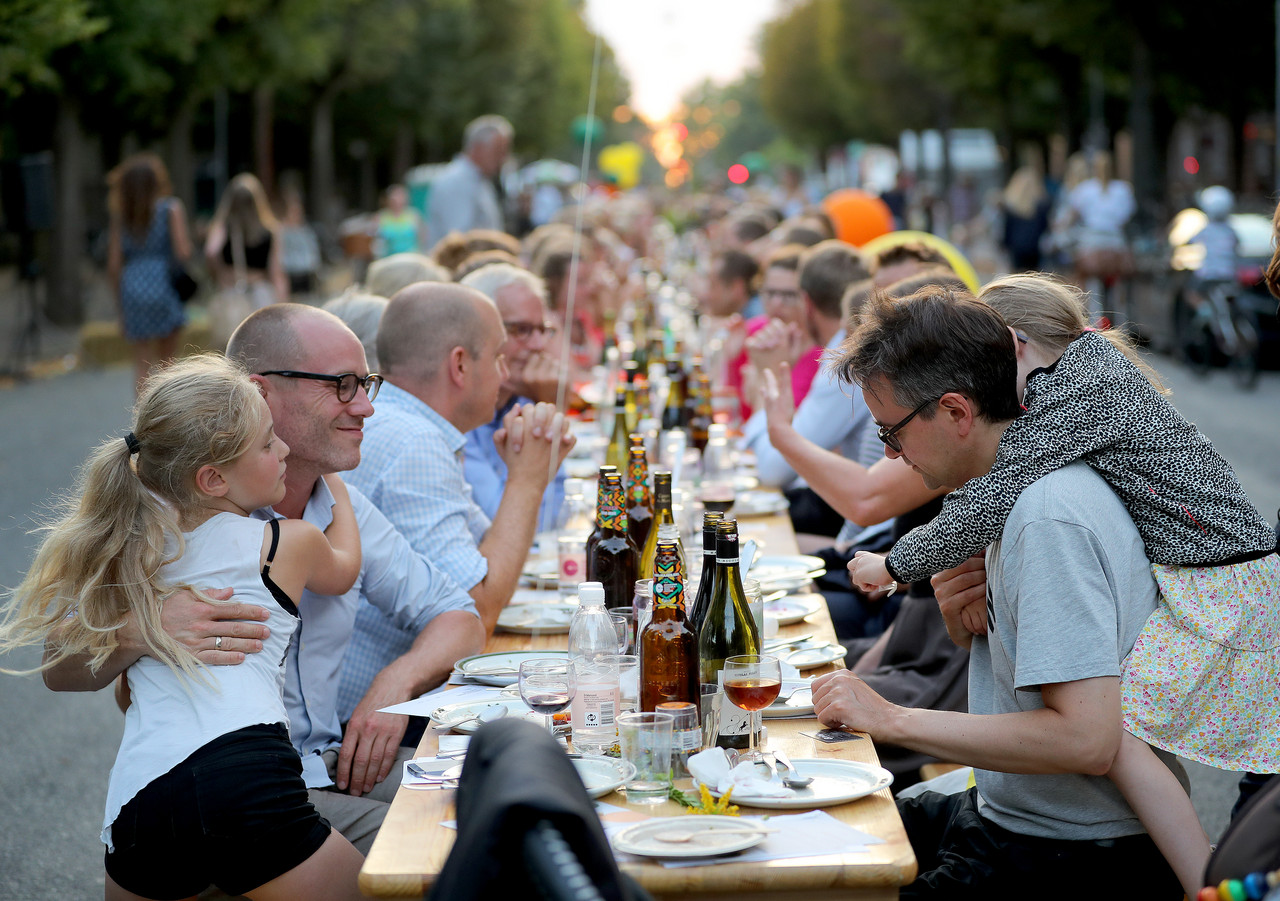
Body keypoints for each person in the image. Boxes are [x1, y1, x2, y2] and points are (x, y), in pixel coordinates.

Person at [850, 275, 1280, 896]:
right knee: (1119, 728)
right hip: (1220, 571)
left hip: (1222, 583)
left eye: (891, 433)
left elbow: (1085, 739)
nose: (889, 453)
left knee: (1118, 731)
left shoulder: (1051, 470)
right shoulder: (1053, 425)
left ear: (1013, 351)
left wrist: (893, 567)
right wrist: (964, 608)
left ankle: (1202, 881)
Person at [2, 355, 367, 900]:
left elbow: (59, 667)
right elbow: (344, 569)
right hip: (245, 768)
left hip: (141, 798)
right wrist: (334, 485)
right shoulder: (285, 544)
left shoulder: (127, 553)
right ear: (212, 477)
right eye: (268, 444)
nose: (285, 449)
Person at [344, 283, 573, 661]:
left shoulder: (412, 426)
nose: (504, 373)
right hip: (383, 711)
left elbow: (491, 562)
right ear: (460, 364)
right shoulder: (413, 441)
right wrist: (527, 481)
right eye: (498, 357)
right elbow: (477, 611)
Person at [740, 240, 881, 541]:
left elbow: (773, 469)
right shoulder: (839, 350)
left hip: (864, 535)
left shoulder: (846, 356)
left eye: (786, 295)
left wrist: (772, 377)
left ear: (805, 302)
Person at [458, 263, 567, 530]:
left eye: (543, 330)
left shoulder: (521, 401)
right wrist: (549, 407)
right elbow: (505, 526)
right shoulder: (458, 411)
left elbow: (557, 514)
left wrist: (547, 407)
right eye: (522, 330)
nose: (539, 346)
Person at [106, 153, 193, 396]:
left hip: (132, 287)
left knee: (141, 363)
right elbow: (182, 252)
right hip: (164, 284)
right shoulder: (170, 209)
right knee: (168, 361)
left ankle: (143, 420)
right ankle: (168, 414)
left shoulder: (121, 216)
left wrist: (120, 306)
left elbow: (114, 265)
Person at [426, 115, 513, 245]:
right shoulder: (455, 182)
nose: (503, 158)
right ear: (478, 148)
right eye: (499, 150)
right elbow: (459, 244)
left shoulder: (479, 180)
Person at [205, 172, 289, 306]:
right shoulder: (269, 231)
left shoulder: (223, 228)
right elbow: (276, 272)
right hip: (261, 292)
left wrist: (220, 275)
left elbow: (211, 251)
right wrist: (282, 302)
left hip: (232, 290)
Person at [375, 184, 424, 257]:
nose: (397, 201)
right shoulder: (381, 217)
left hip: (410, 256)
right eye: (394, 198)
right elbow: (376, 242)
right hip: (388, 258)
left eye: (400, 197)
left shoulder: (414, 215)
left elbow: (422, 238)